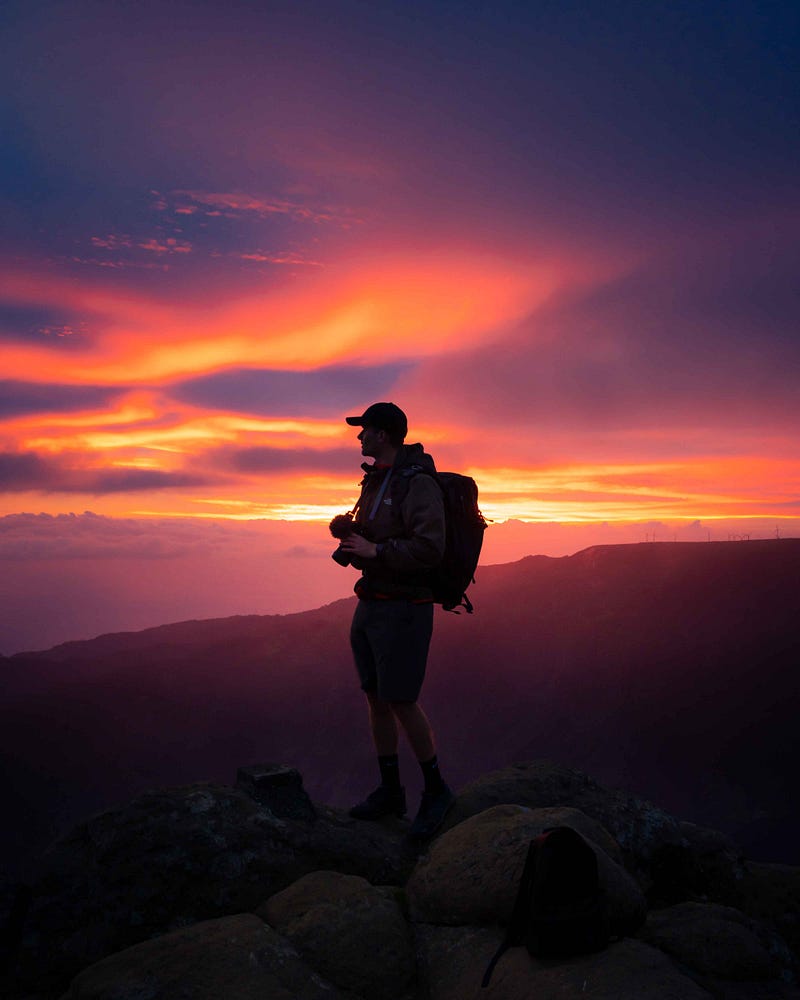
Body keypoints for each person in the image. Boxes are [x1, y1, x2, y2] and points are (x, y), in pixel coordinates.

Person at [334, 401, 454, 840]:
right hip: (371, 601)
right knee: (375, 697)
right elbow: (378, 536)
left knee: (401, 700)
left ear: (382, 433)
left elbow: (430, 548)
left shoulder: (417, 483)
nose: (359, 437)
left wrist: (377, 552)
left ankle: (437, 791)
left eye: (364, 430)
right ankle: (390, 791)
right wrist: (351, 539)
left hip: (405, 609)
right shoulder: (375, 480)